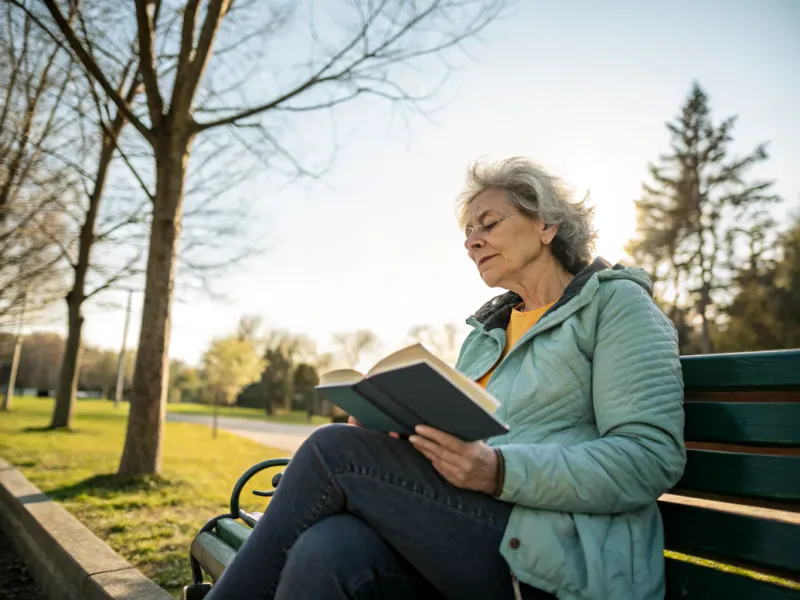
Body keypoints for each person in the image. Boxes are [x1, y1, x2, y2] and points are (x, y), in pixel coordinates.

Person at [206, 158, 686, 600]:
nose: (471, 241)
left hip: (561, 553)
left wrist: (499, 470)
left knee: (332, 450)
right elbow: (465, 445)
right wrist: (396, 430)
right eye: (468, 231)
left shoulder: (616, 307)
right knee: (328, 548)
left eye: (490, 224)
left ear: (547, 225)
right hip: (470, 531)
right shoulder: (486, 336)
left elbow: (649, 458)